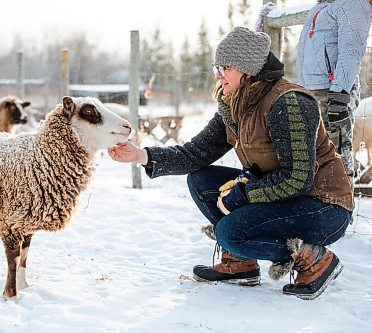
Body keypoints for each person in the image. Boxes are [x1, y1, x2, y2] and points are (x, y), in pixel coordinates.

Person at [108, 26, 354, 300]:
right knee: (201, 181)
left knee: (230, 232)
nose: (218, 74)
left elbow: (297, 178)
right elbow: (195, 153)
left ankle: (316, 260)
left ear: (246, 68)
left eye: (224, 67)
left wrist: (246, 194)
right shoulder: (236, 104)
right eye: (216, 67)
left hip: (322, 206)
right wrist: (141, 154)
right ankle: (240, 264)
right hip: (285, 197)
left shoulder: (289, 103)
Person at [297, 0, 372, 179]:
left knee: (335, 154)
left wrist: (339, 95)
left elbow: (351, 51)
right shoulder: (322, 6)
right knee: (316, 156)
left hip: (332, 91)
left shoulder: (353, 4)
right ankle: (320, 203)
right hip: (311, 91)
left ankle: (342, 201)